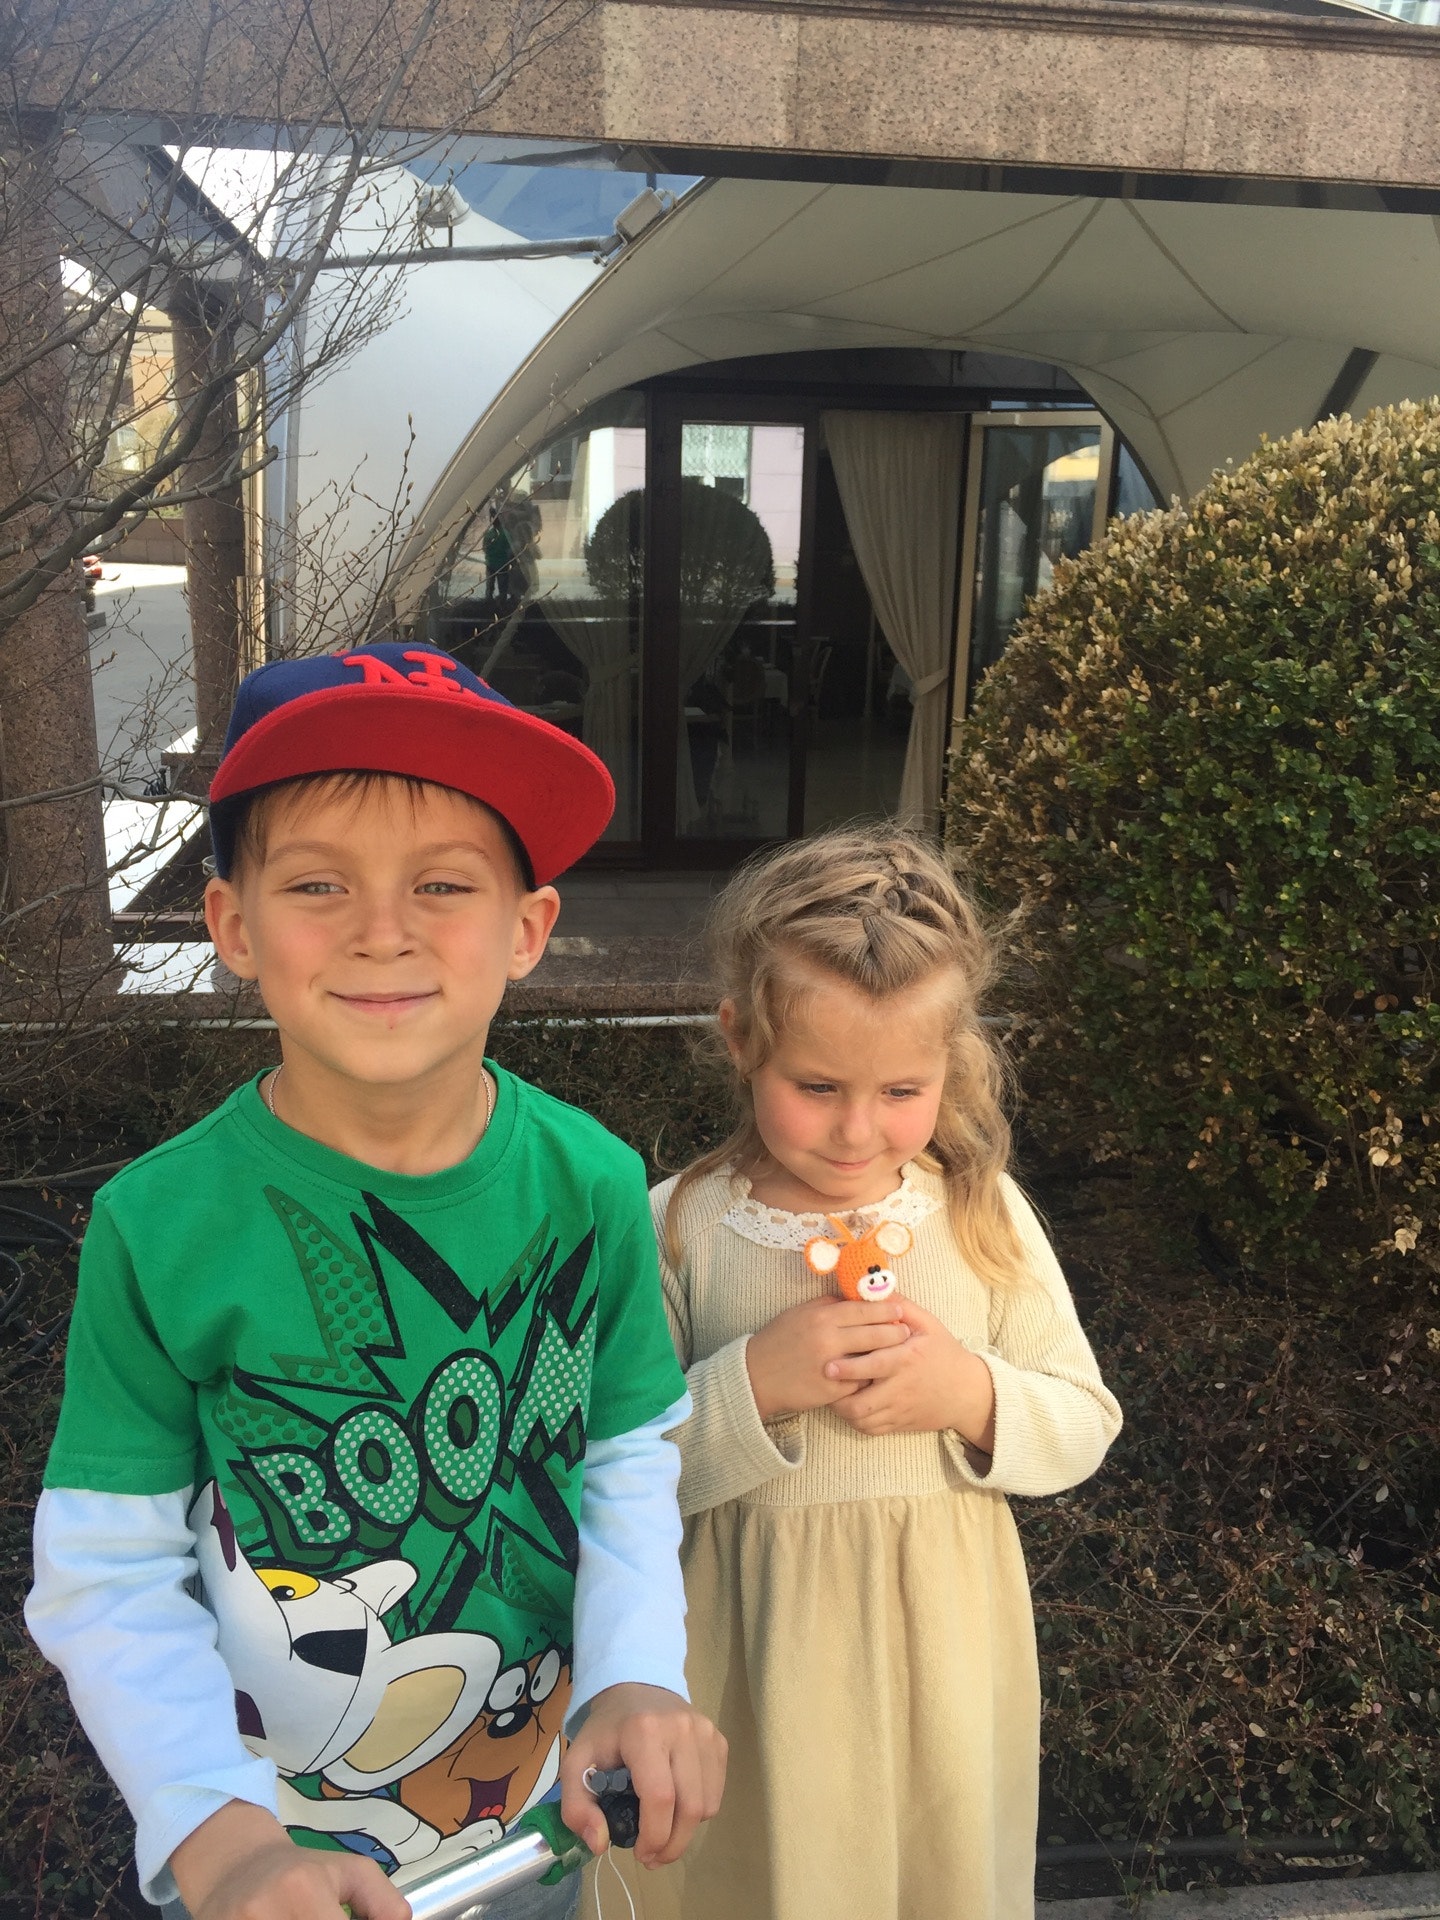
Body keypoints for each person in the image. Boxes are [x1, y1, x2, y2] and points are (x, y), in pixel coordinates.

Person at [26, 641, 725, 1920]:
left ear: (528, 929)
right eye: (317, 884)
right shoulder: (160, 1225)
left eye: (442, 884)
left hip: (530, 1834)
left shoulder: (591, 1181)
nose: (383, 930)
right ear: (233, 925)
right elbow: (108, 1571)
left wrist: (638, 1673)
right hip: (266, 1867)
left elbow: (625, 1460)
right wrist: (219, 1839)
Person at [643, 825, 1122, 1920]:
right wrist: (750, 1384)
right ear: (740, 1039)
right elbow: (617, 1471)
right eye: (817, 1085)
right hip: (749, 1663)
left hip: (943, 1667)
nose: (858, 1131)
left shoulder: (979, 1213)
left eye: (902, 1089)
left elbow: (1083, 1418)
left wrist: (971, 1395)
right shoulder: (679, 1226)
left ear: (950, 1063)